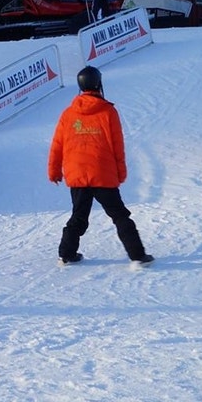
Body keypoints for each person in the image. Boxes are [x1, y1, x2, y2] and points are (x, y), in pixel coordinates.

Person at [47, 65, 153, 266]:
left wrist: (54, 171)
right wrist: (120, 172)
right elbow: (117, 145)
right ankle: (138, 255)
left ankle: (66, 254)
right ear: (98, 83)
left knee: (79, 216)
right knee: (120, 215)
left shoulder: (68, 114)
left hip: (77, 174)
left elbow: (57, 145)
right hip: (103, 174)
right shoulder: (108, 112)